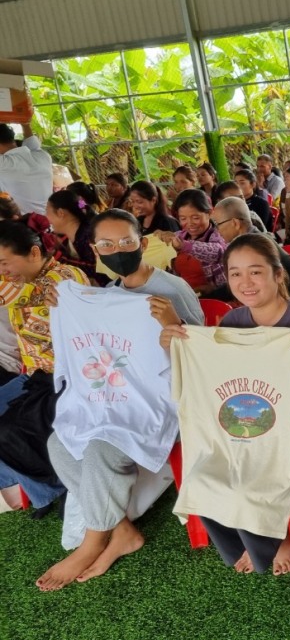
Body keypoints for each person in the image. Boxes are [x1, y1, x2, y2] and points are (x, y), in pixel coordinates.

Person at [35, 208, 204, 590]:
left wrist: (173, 325)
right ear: (95, 250)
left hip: (166, 403)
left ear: (142, 244)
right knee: (60, 443)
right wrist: (60, 305)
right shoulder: (107, 296)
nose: (118, 250)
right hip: (113, 401)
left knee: (99, 448)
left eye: (126, 241)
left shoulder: (171, 289)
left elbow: (204, 354)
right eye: (107, 244)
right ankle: (123, 531)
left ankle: (93, 542)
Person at [161, 233, 290, 575]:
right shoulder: (233, 323)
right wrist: (175, 344)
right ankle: (248, 542)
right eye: (235, 273)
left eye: (255, 271)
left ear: (278, 275)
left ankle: (274, 542)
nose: (245, 282)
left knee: (252, 480)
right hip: (248, 428)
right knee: (204, 476)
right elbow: (210, 378)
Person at [0, 220, 88, 513]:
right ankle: (46, 487)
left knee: (10, 427)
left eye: (4, 262)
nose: (2, 271)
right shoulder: (23, 283)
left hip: (73, 377)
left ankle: (61, 486)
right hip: (37, 376)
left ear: (34, 253)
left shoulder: (63, 279)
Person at [211, 197, 290, 300]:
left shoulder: (252, 246)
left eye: (218, 225)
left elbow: (244, 284)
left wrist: (207, 298)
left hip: (284, 298)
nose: (216, 230)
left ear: (235, 223)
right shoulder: (255, 237)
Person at [154, 188, 227, 294]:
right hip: (184, 296)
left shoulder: (220, 235)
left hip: (215, 299)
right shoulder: (178, 237)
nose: (190, 223)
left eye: (195, 218)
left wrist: (184, 246)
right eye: (183, 218)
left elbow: (219, 251)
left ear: (210, 213)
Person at [46, 190, 103, 284]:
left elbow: (96, 270)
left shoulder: (88, 236)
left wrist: (59, 257)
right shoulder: (70, 236)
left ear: (61, 213)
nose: (46, 216)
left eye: (47, 211)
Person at [0, 119, 53, 216]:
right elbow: (32, 144)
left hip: (24, 224)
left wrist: (25, 125)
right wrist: (25, 124)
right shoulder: (43, 156)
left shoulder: (5, 165)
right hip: (48, 222)